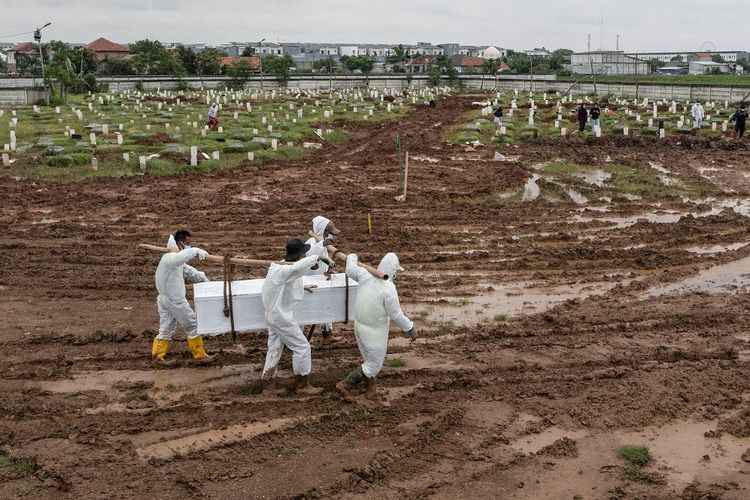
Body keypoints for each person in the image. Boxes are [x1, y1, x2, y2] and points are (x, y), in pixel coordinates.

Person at [336, 252, 417, 399]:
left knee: (369, 359)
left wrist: (352, 257)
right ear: (394, 271)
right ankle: (345, 384)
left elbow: (350, 269)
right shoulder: (389, 289)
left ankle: (370, 390)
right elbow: (396, 315)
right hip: (374, 333)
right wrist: (410, 327)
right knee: (374, 364)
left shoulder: (365, 275)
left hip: (359, 327)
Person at [261, 238, 336, 394]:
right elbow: (296, 269)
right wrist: (319, 257)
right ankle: (302, 385)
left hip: (273, 314)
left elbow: (291, 277)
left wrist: (303, 286)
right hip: (281, 317)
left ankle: (268, 385)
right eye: (303, 253)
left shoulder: (280, 267)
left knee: (274, 348)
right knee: (302, 347)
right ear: (300, 255)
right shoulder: (285, 269)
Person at [151, 230, 216, 367]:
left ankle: (157, 356)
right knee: (192, 326)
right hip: (175, 301)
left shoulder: (173, 260)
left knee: (166, 328)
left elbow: (189, 270)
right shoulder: (170, 258)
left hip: (164, 300)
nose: (189, 246)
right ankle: (199, 356)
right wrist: (196, 251)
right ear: (180, 244)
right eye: (188, 244)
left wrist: (205, 280)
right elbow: (181, 259)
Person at [304, 215, 341, 339]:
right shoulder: (311, 242)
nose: (332, 235)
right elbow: (310, 254)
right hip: (311, 282)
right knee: (305, 309)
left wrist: (329, 260)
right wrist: (323, 244)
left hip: (321, 280)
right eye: (330, 233)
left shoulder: (322, 240)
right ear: (323, 231)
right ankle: (297, 337)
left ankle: (327, 333)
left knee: (326, 305)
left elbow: (323, 255)